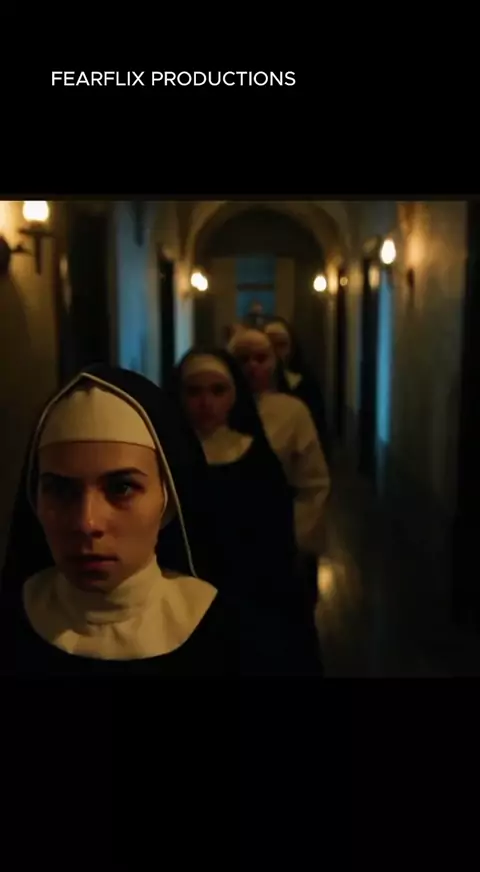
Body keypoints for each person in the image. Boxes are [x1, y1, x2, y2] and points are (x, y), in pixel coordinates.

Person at [0, 363, 322, 676]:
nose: (87, 523)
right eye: (59, 489)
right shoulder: (11, 619)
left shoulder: (248, 645)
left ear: (167, 501)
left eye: (121, 488)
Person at [168, 348, 298, 614]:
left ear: (235, 394)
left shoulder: (256, 457)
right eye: (194, 391)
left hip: (249, 591)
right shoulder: (165, 454)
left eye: (218, 391)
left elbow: (277, 538)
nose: (206, 403)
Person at [228, 328, 331, 614]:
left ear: (274, 363)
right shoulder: (214, 409)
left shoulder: (293, 411)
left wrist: (296, 539)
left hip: (280, 536)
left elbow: (313, 483)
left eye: (261, 358)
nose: (252, 366)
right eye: (242, 359)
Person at [265, 317, 331, 463]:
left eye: (281, 345)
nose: (275, 351)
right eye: (269, 345)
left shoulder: (305, 383)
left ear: (292, 348)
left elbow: (318, 428)